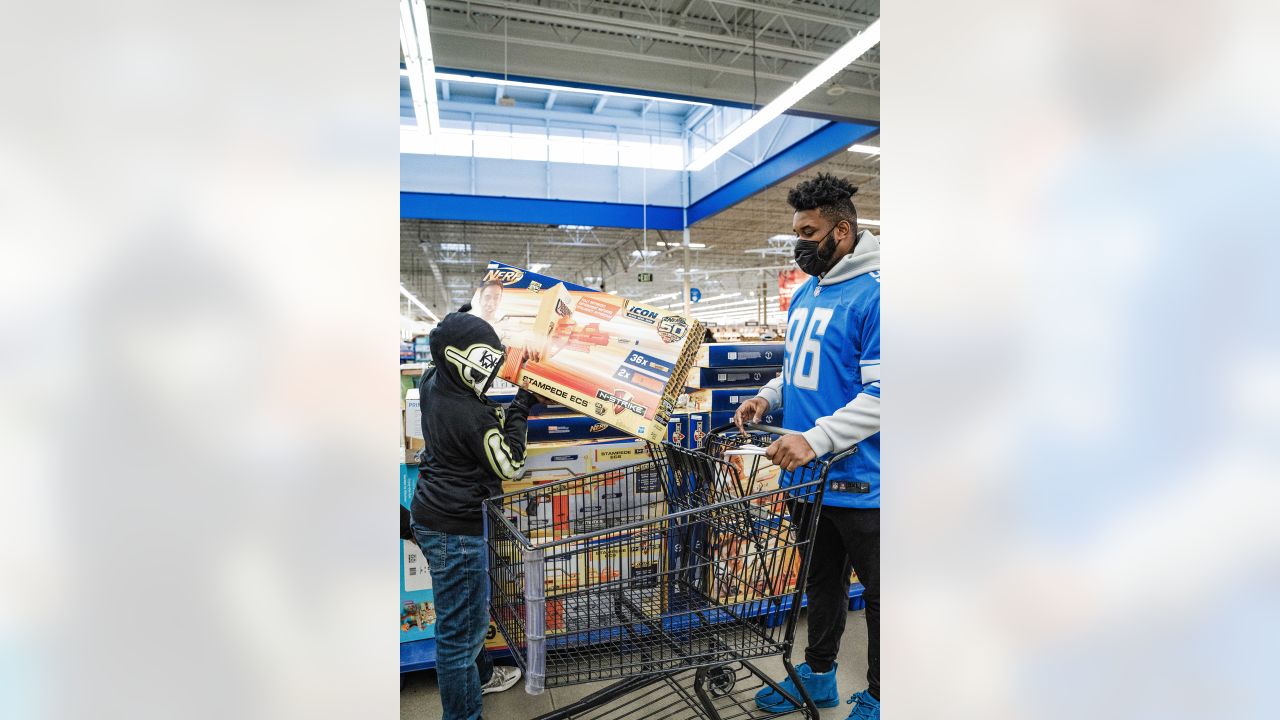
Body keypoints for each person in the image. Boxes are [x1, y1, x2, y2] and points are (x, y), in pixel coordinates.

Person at [735, 173, 881, 719]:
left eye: (808, 230)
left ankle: (883, 696)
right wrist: (767, 399)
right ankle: (820, 677)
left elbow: (887, 391)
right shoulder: (806, 292)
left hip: (865, 480)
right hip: (807, 479)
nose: (799, 242)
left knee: (884, 598)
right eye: (796, 230)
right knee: (821, 586)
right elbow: (798, 368)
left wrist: (815, 438)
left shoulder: (879, 294)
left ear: (841, 231)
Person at [409, 311, 537, 720]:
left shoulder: (432, 380)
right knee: (457, 638)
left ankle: (480, 675)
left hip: (432, 511)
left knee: (464, 614)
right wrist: (522, 403)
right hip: (455, 527)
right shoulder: (470, 413)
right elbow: (510, 464)